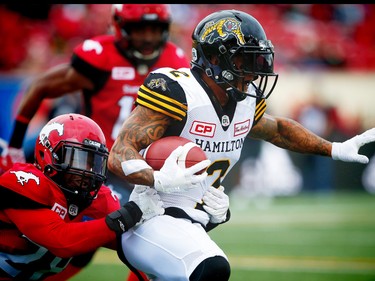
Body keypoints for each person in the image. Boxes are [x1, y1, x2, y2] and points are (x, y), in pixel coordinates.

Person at [107, 9, 375, 281]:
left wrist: (333, 148)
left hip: (194, 222)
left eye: (256, 58)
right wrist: (158, 178)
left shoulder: (244, 102)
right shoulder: (179, 92)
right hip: (149, 217)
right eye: (243, 58)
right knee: (211, 268)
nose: (254, 68)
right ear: (213, 57)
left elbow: (279, 130)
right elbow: (118, 153)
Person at [0, 4, 189, 280]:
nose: (147, 38)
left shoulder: (175, 62)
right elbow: (41, 87)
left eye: (154, 29)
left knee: (142, 241)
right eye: (139, 29)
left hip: (114, 167)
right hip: (100, 162)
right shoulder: (99, 57)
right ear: (119, 26)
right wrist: (15, 145)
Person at [0, 113, 164, 280]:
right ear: (48, 154)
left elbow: (134, 243)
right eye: (78, 159)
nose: (88, 171)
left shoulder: (99, 196)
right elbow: (60, 241)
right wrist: (125, 216)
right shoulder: (24, 181)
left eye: (94, 162)